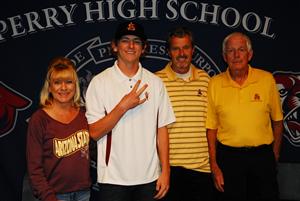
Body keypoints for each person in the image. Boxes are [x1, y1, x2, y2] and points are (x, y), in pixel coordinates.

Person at [85, 21, 175, 201]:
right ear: (115, 46)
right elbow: (94, 133)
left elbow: (162, 130)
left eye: (137, 41)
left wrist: (165, 171)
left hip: (149, 179)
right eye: (125, 40)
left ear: (144, 48)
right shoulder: (99, 82)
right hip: (113, 180)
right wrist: (123, 106)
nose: (131, 46)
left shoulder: (156, 83)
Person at [206, 32, 283, 201]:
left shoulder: (266, 79)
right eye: (231, 51)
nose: (236, 55)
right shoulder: (215, 83)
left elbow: (278, 121)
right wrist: (214, 165)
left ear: (250, 54)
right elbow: (211, 129)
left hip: (262, 158)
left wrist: (274, 155)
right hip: (229, 159)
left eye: (241, 49)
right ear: (224, 57)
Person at [155, 26, 214, 201]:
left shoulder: (206, 80)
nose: (181, 53)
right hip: (168, 170)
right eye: (175, 48)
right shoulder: (156, 81)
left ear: (193, 50)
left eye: (186, 47)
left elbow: (212, 125)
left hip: (201, 170)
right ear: (168, 52)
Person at [26, 57, 91, 201]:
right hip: (54, 195)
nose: (63, 88)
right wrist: (48, 197)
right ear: (49, 87)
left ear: (76, 85)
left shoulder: (85, 115)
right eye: (57, 82)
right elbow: (34, 169)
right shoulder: (39, 119)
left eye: (68, 82)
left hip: (84, 193)